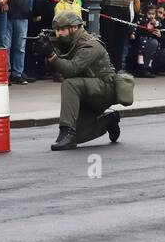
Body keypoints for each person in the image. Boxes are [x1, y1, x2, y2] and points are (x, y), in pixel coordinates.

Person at [39, 10, 126, 151]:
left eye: (62, 29)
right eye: (57, 30)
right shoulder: (70, 43)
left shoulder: (89, 45)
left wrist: (51, 54)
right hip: (88, 92)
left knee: (69, 84)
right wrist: (45, 49)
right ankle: (108, 120)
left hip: (104, 89)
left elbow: (71, 69)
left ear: (74, 27)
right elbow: (59, 64)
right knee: (78, 136)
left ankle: (67, 132)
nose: (59, 33)